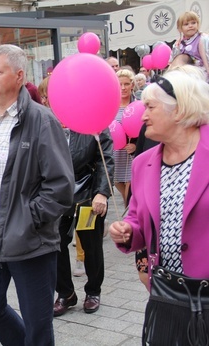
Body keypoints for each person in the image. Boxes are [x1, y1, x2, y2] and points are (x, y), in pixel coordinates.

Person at [0, 44, 74, 345]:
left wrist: (29, 218)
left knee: (38, 323)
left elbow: (60, 186)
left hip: (27, 239)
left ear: (19, 75)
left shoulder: (41, 120)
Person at [109, 69, 209, 345]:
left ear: (178, 110)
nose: (142, 115)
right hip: (167, 296)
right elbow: (138, 219)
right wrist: (127, 230)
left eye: (150, 107)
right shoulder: (144, 162)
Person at [38, 75, 115, 316]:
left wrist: (102, 193)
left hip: (87, 191)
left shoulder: (91, 120)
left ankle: (93, 291)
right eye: (47, 97)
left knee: (90, 243)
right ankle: (66, 294)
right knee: (56, 244)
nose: (51, 101)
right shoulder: (44, 123)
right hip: (56, 195)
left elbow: (105, 159)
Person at [114, 69, 137, 206]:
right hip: (116, 155)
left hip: (132, 156)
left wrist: (136, 145)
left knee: (130, 196)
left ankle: (129, 221)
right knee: (125, 197)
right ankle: (129, 219)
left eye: (126, 84)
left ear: (132, 85)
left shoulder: (138, 105)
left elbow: (145, 130)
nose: (123, 88)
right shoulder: (111, 106)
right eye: (120, 84)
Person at [171, 11, 209, 79]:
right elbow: (174, 61)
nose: (190, 26)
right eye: (186, 24)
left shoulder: (203, 39)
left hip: (201, 75)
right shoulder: (178, 44)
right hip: (184, 76)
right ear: (180, 28)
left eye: (193, 23)